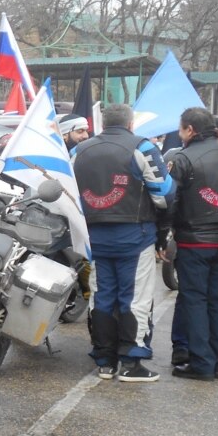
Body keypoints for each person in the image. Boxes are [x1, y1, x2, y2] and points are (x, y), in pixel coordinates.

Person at [72, 103, 172, 382]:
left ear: (102, 124)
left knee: (102, 296)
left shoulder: (78, 150)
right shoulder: (142, 147)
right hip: (134, 237)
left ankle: (104, 360)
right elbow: (164, 194)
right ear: (131, 124)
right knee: (135, 299)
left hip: (95, 239)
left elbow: (67, 192)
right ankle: (132, 362)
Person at [162, 107, 218, 381]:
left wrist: (169, 232)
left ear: (189, 129)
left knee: (195, 300)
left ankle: (202, 363)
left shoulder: (182, 158)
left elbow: (171, 200)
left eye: (181, 129)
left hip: (194, 241)